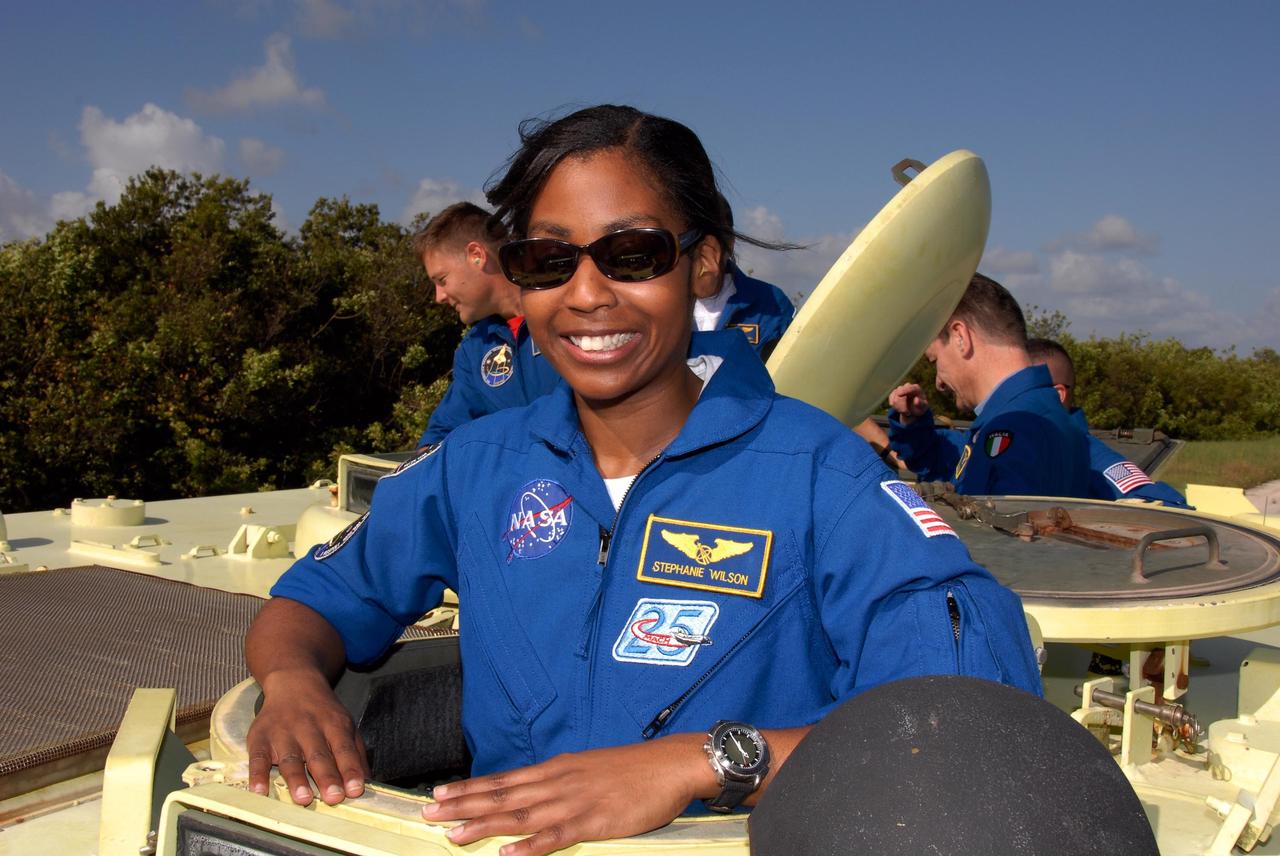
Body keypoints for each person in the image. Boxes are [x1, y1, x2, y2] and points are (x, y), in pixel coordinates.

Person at [245, 105, 1041, 856]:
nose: (587, 294)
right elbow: (308, 602)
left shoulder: (820, 475)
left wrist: (707, 763)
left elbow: (966, 723)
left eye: (632, 255)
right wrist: (290, 685)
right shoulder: (477, 466)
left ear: (700, 263)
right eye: (548, 260)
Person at [886, 274, 1091, 496]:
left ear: (960, 337)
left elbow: (992, 528)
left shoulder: (1016, 428)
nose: (939, 383)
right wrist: (915, 425)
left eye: (935, 360)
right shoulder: (1041, 415)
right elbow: (951, 459)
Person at [413, 202, 561, 447]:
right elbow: (443, 433)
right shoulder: (476, 348)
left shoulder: (565, 313)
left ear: (477, 256)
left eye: (442, 280)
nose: (438, 296)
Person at [1027, 338, 1190, 508]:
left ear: (1056, 395)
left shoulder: (1092, 460)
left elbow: (1170, 511)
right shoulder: (1005, 447)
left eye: (1017, 390)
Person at [694, 194, 795, 360]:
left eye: (713, 245)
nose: (708, 260)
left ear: (731, 242)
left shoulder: (771, 303)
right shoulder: (659, 306)